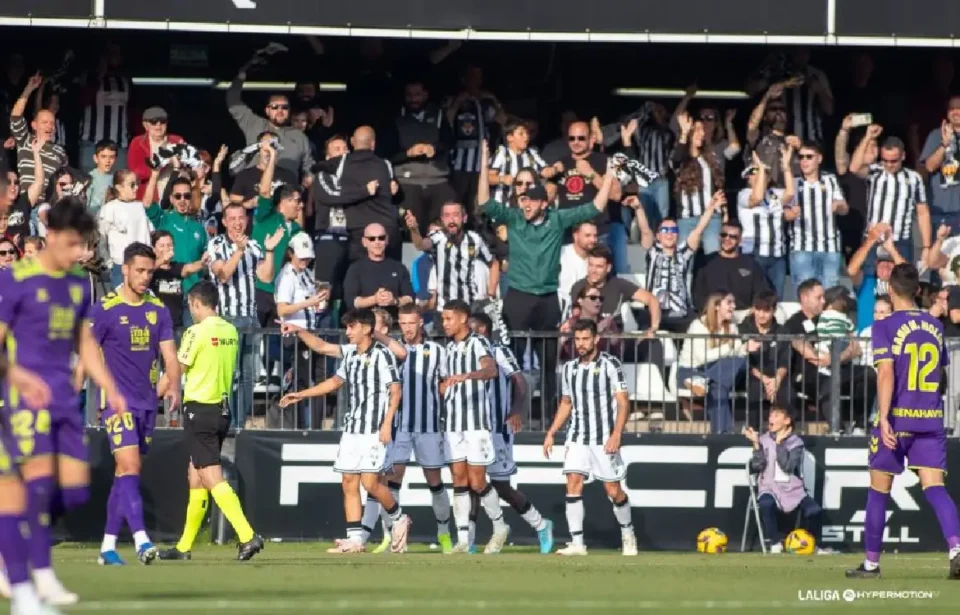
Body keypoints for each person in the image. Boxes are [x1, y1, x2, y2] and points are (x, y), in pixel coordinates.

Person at [0, 196, 127, 605]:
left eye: (83, 245)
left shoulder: (76, 283)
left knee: (73, 492)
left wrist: (110, 385)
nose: (80, 253)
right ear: (50, 236)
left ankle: (18, 552)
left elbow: (83, 340)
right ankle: (33, 577)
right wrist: (17, 375)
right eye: (72, 244)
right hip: (24, 399)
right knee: (32, 488)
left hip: (63, 399)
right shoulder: (15, 279)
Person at [847, 264, 960, 579]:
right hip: (930, 418)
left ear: (890, 289)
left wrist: (883, 417)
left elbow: (885, 373)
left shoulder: (884, 325)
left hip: (897, 418)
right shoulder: (934, 325)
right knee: (936, 488)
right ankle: (957, 548)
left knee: (878, 491)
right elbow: (939, 373)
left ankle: (871, 564)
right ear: (918, 291)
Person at [278, 309, 411, 554]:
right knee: (349, 481)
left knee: (370, 483)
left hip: (374, 429)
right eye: (347, 327)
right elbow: (329, 368)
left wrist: (386, 424)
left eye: (352, 327)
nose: (347, 332)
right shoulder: (350, 354)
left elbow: (396, 392)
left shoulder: (383, 356)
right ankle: (355, 539)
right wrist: (301, 394)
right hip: (352, 429)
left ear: (366, 329)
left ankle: (400, 517)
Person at [158, 281, 264, 562]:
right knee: (196, 476)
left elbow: (175, 370)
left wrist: (147, 397)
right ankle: (183, 547)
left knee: (209, 476)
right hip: (222, 409)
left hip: (200, 410)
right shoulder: (230, 329)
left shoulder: (195, 331)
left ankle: (247, 534)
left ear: (194, 303)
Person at [89, 243, 180, 566]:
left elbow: (170, 354)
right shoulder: (105, 308)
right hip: (116, 402)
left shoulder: (158, 310)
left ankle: (107, 547)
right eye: (139, 271)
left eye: (149, 272)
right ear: (124, 270)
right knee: (130, 467)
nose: (144, 277)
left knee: (124, 474)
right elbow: (85, 356)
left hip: (146, 404)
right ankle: (142, 540)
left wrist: (174, 386)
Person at [542, 319, 638, 557]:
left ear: (596, 339)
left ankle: (628, 533)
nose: (581, 344)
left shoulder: (610, 365)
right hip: (577, 436)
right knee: (573, 483)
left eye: (586, 339)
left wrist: (617, 434)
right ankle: (577, 543)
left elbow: (623, 401)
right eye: (578, 339)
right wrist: (552, 432)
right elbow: (566, 403)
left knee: (613, 490)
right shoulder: (569, 368)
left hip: (604, 437)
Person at [368, 303, 452, 553]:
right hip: (399, 427)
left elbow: (444, 382)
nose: (406, 328)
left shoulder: (437, 351)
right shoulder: (391, 350)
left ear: (420, 323)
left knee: (435, 482)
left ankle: (444, 533)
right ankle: (391, 535)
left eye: (411, 323)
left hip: (428, 426)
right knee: (392, 482)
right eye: (402, 323)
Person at [470, 311, 554, 553]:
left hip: (498, 429)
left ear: (484, 330)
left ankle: (541, 524)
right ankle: (470, 540)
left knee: (501, 486)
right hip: (473, 428)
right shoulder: (465, 353)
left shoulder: (499, 352)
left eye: (475, 329)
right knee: (471, 483)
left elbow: (520, 381)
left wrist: (516, 410)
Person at [439, 300, 510, 553]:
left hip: (476, 423)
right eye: (443, 319)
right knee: (458, 478)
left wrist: (467, 376)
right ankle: (463, 539)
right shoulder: (449, 348)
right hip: (453, 422)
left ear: (462, 319)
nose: (444, 323)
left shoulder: (478, 343)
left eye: (448, 319)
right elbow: (445, 382)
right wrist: (443, 386)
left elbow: (490, 371)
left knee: (478, 482)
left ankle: (500, 526)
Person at [744, 406, 826, 554]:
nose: (771, 419)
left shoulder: (796, 443)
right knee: (766, 504)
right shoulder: (763, 439)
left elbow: (788, 467)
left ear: (787, 421)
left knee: (814, 511)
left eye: (776, 416)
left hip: (793, 489)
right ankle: (775, 543)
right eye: (770, 416)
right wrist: (756, 444)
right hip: (769, 487)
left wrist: (779, 445)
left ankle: (811, 544)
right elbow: (757, 465)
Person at [678, 291, 753, 434]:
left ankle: (719, 434)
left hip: (714, 373)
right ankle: (724, 434)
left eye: (734, 303)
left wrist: (745, 348)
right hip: (691, 370)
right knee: (720, 384)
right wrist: (730, 346)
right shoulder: (698, 325)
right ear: (717, 306)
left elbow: (737, 353)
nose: (734, 306)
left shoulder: (731, 326)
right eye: (729, 302)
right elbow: (702, 357)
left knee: (737, 364)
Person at [98, 169, 152, 289]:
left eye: (137, 183)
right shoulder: (109, 209)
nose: (136, 188)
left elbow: (149, 233)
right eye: (132, 184)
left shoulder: (140, 207)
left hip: (144, 264)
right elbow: (101, 238)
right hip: (121, 266)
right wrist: (109, 263)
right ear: (119, 187)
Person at [149, 231, 209, 330]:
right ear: (153, 248)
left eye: (169, 245)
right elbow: (148, 270)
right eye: (162, 245)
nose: (166, 249)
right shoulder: (151, 269)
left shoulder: (176, 267)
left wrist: (202, 263)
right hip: (156, 325)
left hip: (176, 324)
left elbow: (188, 268)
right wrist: (163, 259)